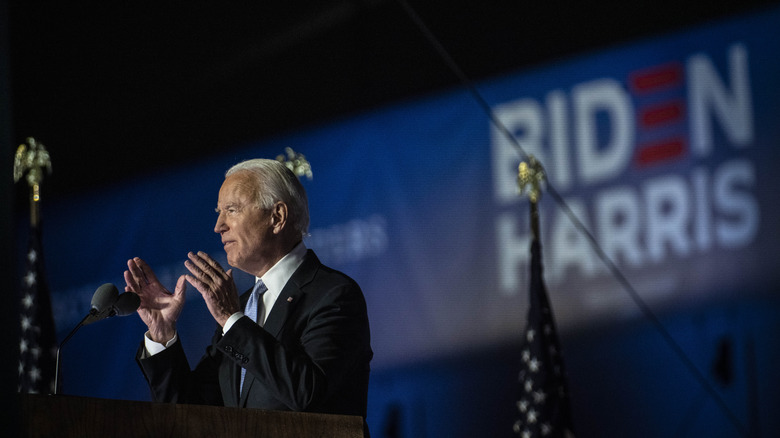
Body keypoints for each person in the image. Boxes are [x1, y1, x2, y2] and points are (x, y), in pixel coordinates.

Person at [124, 158, 373, 426]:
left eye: (232, 210)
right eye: (219, 212)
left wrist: (232, 320)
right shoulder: (240, 309)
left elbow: (309, 394)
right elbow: (191, 415)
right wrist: (162, 336)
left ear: (276, 217)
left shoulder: (333, 294)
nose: (218, 226)